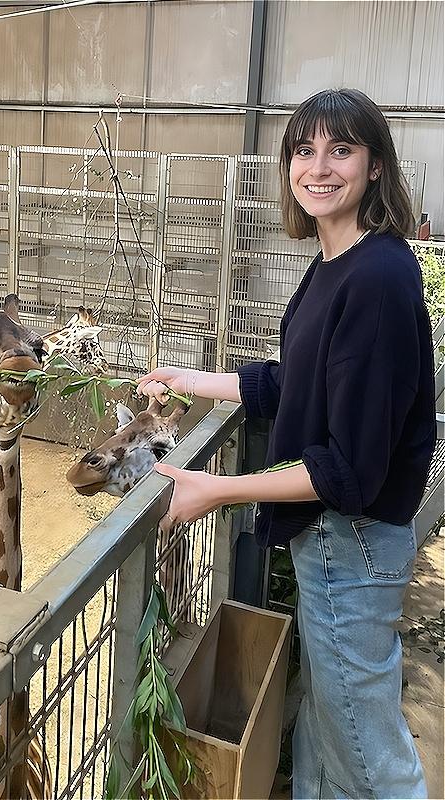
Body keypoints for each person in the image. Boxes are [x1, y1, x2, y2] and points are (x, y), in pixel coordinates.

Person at [137, 88, 436, 799]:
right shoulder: (336, 265)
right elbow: (296, 384)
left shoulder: (378, 279)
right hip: (335, 542)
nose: (319, 167)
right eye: (304, 149)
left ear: (375, 167)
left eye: (341, 149)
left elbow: (348, 470)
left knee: (365, 746)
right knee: (328, 732)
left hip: (351, 539)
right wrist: (197, 380)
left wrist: (218, 490)